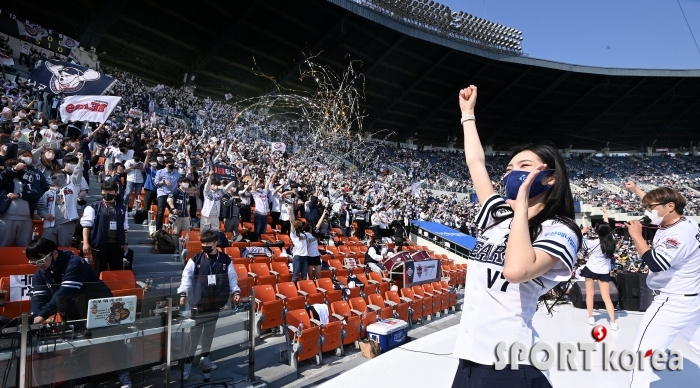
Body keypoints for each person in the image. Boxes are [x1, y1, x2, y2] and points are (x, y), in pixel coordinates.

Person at [451, 86, 581, 388]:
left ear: (550, 178)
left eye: (524, 168)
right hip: (469, 355)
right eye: (509, 169)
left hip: (509, 361)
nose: (512, 175)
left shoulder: (560, 230)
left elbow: (515, 270)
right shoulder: (499, 216)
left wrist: (521, 208)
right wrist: (467, 115)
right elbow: (476, 164)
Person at [26, 238, 133, 388]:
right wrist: (35, 316)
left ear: (54, 253)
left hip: (102, 308)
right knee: (78, 348)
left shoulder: (75, 263)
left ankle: (125, 377)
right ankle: (82, 383)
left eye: (40, 260)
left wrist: (42, 316)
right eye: (34, 262)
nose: (38, 265)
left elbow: (64, 293)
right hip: (75, 312)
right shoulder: (40, 274)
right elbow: (38, 297)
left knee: (114, 342)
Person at [624, 184, 700, 388]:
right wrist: (636, 190)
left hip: (671, 302)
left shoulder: (678, 234)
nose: (648, 212)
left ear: (670, 206)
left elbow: (656, 264)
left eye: (651, 207)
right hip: (690, 300)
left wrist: (637, 236)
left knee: (642, 355)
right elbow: (657, 206)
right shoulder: (687, 222)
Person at [177, 230, 240, 381]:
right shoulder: (196, 259)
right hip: (198, 303)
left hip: (215, 303)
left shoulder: (225, 260)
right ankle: (187, 364)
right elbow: (186, 276)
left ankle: (205, 358)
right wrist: (183, 293)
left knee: (209, 334)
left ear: (215, 243)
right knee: (194, 336)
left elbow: (232, 278)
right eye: (202, 243)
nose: (204, 245)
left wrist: (235, 291)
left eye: (208, 243)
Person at [580, 204, 618, 330]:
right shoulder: (611, 242)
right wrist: (605, 212)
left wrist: (583, 231)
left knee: (589, 294)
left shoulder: (592, 243)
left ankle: (591, 318)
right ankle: (613, 321)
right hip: (604, 271)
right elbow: (606, 226)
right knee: (606, 297)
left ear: (597, 231)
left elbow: (578, 238)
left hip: (590, 269)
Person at [80, 181, 129, 275]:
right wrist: (86, 243)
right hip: (99, 245)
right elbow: (86, 226)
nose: (107, 193)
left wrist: (125, 243)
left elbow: (125, 227)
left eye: (110, 191)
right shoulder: (93, 206)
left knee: (117, 272)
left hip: (117, 246)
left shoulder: (122, 208)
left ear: (116, 192)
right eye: (104, 191)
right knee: (99, 271)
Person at [36, 171, 80, 247]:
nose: (58, 179)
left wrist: (80, 161)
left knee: (64, 246)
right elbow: (40, 206)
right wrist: (45, 215)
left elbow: (78, 173)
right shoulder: (48, 193)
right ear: (51, 179)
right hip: (50, 224)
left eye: (61, 177)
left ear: (66, 178)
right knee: (47, 246)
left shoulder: (72, 188)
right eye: (54, 177)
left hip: (66, 222)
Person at [154, 159, 180, 231]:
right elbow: (156, 183)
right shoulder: (160, 172)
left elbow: (182, 181)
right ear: (166, 164)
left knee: (174, 212)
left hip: (172, 195)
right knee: (160, 213)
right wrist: (164, 181)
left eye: (172, 162)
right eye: (170, 163)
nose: (171, 164)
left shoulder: (177, 174)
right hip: (162, 194)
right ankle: (158, 230)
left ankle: (172, 229)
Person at [167, 177, 191, 250]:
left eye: (187, 182)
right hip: (176, 215)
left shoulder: (186, 194)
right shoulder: (175, 191)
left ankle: (184, 249)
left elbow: (188, 205)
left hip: (185, 216)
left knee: (186, 233)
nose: (186, 183)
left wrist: (189, 215)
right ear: (180, 183)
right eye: (184, 182)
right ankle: (176, 249)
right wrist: (173, 208)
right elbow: (169, 199)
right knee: (175, 233)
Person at [305, 209, 328, 280]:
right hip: (309, 256)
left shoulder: (314, 233)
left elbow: (319, 223)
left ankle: (318, 287)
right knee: (310, 276)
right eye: (311, 227)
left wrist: (324, 214)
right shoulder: (304, 235)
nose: (313, 228)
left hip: (316, 255)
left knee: (318, 274)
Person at [288, 203, 308, 283]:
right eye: (299, 224)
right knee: (295, 276)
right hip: (297, 257)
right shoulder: (293, 233)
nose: (301, 224)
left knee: (304, 277)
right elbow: (292, 222)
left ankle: (303, 291)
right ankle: (293, 290)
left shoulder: (303, 234)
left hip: (305, 257)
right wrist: (290, 212)